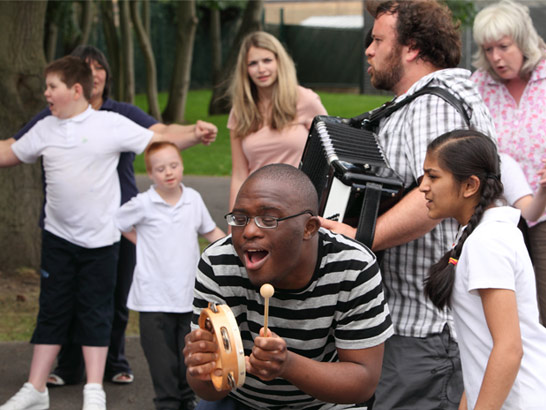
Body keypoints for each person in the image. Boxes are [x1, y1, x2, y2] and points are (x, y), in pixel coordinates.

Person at [319, 1, 498, 409]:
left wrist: (361, 237)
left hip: (427, 329)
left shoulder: (432, 104)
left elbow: (435, 193)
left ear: (412, 48)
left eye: (378, 40)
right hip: (413, 322)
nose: (368, 49)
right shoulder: (418, 104)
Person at [11, 45, 218, 387]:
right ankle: (67, 367)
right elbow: (16, 145)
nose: (93, 73)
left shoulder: (118, 115)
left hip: (119, 221)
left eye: (98, 68)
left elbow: (162, 132)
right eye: (85, 67)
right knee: (65, 301)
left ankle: (114, 361)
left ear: (104, 75)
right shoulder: (51, 119)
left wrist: (193, 134)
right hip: (64, 226)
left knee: (112, 298)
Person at [183, 164, 393, 409]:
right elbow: (208, 391)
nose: (249, 231)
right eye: (240, 218)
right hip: (239, 399)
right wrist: (201, 367)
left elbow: (363, 382)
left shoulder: (353, 266)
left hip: (325, 404)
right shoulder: (218, 264)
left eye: (268, 219)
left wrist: (288, 365)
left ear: (309, 228)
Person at [420, 129, 546, 409]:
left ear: (470, 185)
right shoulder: (480, 235)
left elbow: (509, 349)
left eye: (433, 176)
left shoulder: (487, 242)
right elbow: (482, 348)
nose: (422, 186)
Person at [114, 141, 225, 410]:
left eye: (173, 165)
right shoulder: (143, 204)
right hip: (153, 299)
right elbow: (118, 222)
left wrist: (235, 249)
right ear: (151, 174)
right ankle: (167, 404)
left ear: (182, 166)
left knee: (189, 362)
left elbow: (211, 233)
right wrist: (143, 242)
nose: (168, 172)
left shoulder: (193, 199)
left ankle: (187, 402)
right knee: (162, 366)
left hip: (188, 298)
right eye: (160, 168)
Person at [471, 0, 546, 325]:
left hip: (543, 217)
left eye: (504, 46)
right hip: (498, 216)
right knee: (504, 309)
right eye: (488, 49)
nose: (496, 58)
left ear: (523, 41)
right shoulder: (477, 86)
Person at [228, 31, 327, 210]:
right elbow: (239, 175)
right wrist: (233, 223)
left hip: (300, 204)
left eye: (267, 60)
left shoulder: (305, 99)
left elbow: (328, 156)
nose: (261, 69)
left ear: (279, 61)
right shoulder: (239, 111)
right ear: (245, 69)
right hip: (258, 205)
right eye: (252, 63)